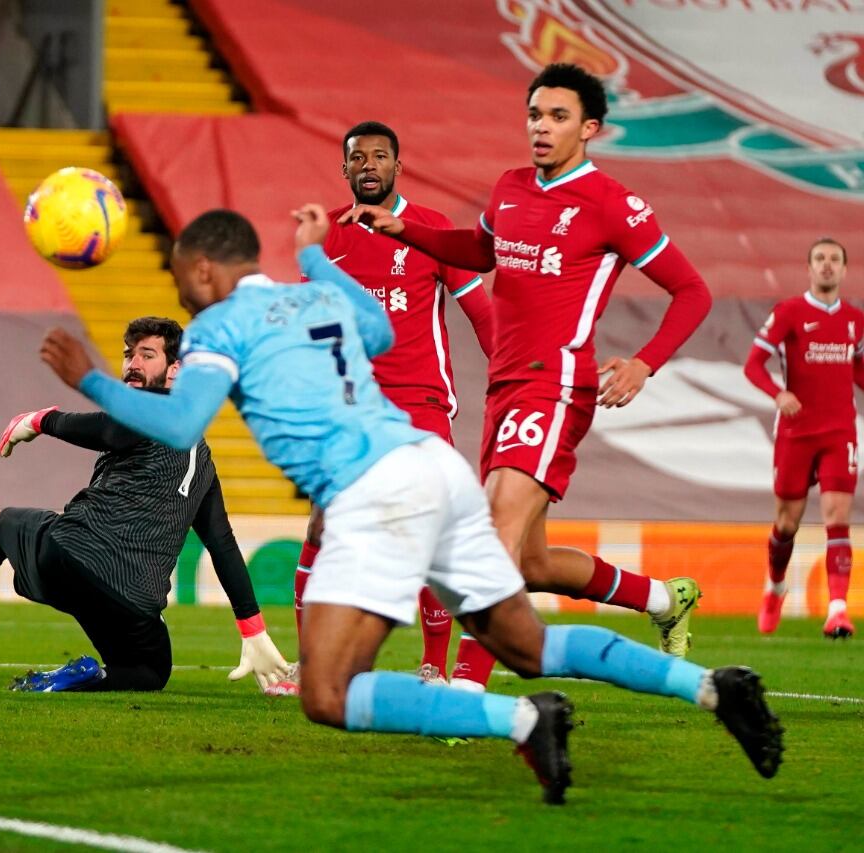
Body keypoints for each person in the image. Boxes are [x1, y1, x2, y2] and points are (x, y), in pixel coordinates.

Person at [40, 206, 782, 804]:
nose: (178, 292)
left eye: (179, 278)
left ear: (203, 269)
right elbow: (384, 330)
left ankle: (523, 718)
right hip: (435, 467)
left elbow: (176, 424)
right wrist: (318, 259)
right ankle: (715, 688)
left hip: (374, 493)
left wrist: (90, 381)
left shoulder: (217, 329)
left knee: (328, 692)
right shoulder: (316, 291)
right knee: (530, 647)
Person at [341, 63, 714, 689]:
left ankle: (465, 693)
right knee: (531, 561)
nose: (541, 128)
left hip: (558, 385)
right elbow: (481, 252)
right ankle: (662, 599)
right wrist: (407, 229)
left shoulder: (611, 204)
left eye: (558, 117)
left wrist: (646, 362)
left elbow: (692, 291)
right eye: (535, 115)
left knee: (492, 537)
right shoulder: (511, 187)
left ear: (590, 128)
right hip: (506, 388)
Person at [0, 317, 290, 693]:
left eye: (147, 355)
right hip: (132, 597)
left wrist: (42, 420)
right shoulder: (203, 462)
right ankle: (86, 677)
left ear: (176, 370)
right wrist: (251, 628)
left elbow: (111, 430)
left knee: (4, 526)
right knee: (147, 673)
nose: (132, 363)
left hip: (73, 558)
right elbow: (222, 544)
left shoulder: (156, 410)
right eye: (129, 354)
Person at [292, 121, 496, 687]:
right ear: (345, 169)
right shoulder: (326, 237)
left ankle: (434, 661)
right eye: (358, 157)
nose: (369, 165)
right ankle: (312, 663)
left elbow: (481, 313)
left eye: (380, 156)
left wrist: (510, 376)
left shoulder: (430, 229)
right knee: (321, 527)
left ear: (397, 167)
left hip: (419, 401)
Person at [745, 238, 860, 638]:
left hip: (839, 431)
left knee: (837, 517)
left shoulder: (855, 321)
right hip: (795, 433)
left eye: (834, 260)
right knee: (786, 524)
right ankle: (775, 587)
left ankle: (838, 610)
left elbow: (857, 370)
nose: (827, 266)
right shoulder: (790, 312)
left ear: (845, 270)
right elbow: (753, 364)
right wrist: (778, 394)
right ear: (808, 268)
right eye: (820, 259)